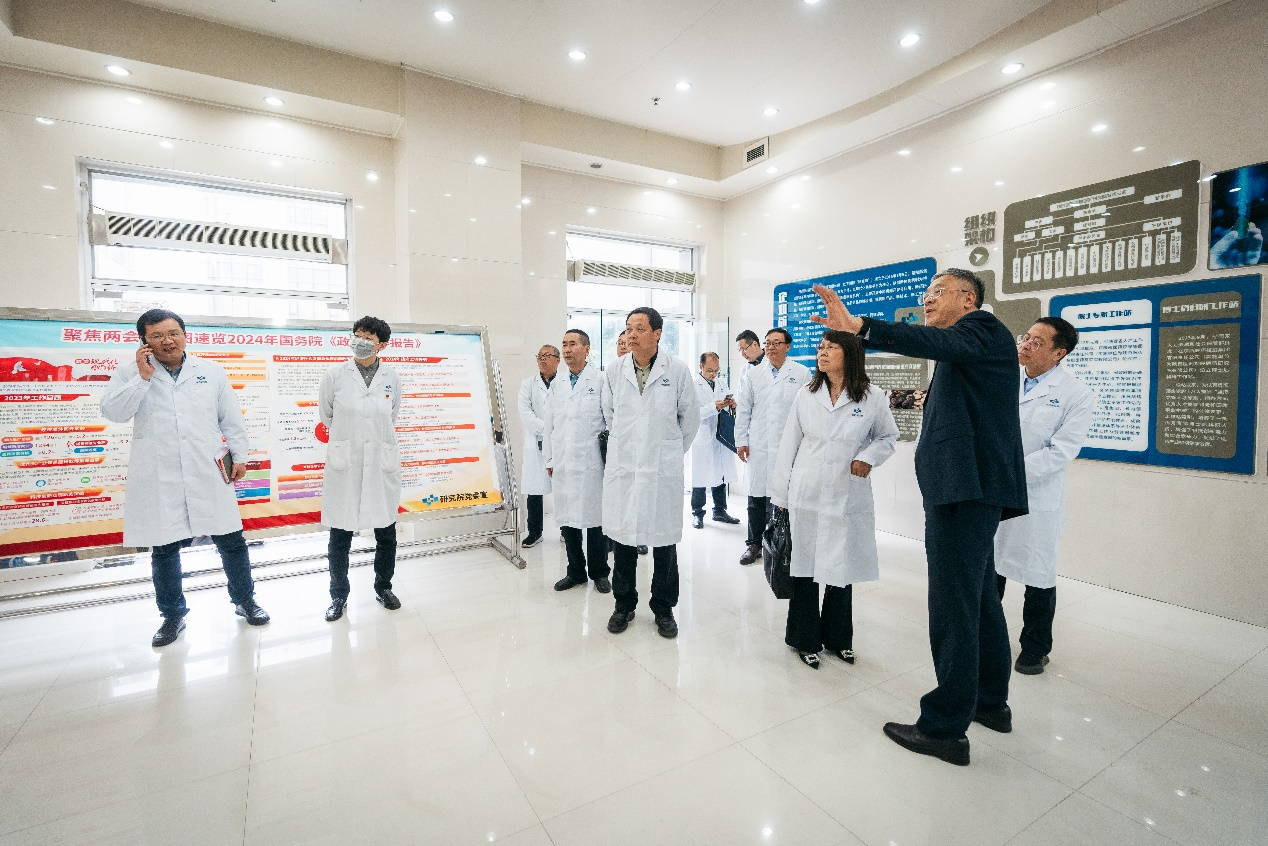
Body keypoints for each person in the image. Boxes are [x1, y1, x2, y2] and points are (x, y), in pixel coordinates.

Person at [810, 268, 1026, 767]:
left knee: (953, 604)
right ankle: (990, 702)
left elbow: (930, 341)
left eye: (937, 292)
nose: (927, 300)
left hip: (965, 488)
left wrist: (860, 326)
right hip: (970, 487)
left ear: (968, 299)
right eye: (926, 293)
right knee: (978, 598)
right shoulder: (970, 347)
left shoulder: (981, 328)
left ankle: (945, 727)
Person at [100, 308, 270, 647]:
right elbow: (114, 413)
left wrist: (240, 455)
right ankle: (172, 615)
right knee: (164, 548)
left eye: (173, 333)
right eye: (157, 335)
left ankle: (245, 600)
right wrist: (142, 379)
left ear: (184, 334)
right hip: (160, 473)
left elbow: (230, 417)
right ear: (144, 341)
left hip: (207, 467)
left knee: (231, 540)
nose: (167, 341)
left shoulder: (210, 371)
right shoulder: (129, 373)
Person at [769, 331, 899, 669]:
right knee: (804, 568)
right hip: (807, 491)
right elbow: (789, 444)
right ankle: (804, 639)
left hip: (847, 493)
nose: (822, 352)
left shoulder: (871, 396)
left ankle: (839, 639)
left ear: (850, 353)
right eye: (820, 347)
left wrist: (868, 457)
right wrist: (780, 495)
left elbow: (888, 436)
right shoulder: (807, 393)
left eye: (831, 347)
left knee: (842, 566)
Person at [994, 318, 1095, 674]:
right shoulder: (1005, 380)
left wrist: (1009, 472)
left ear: (1058, 353)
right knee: (989, 569)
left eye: (1036, 342)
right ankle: (985, 635)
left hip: (1036, 496)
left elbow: (1061, 450)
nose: (1025, 345)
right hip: (994, 490)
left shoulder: (1076, 394)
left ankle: (1035, 648)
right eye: (1025, 337)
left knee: (1037, 574)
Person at [602, 307, 699, 638]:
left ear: (657, 333)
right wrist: (631, 447)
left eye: (639, 328)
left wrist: (667, 451)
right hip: (626, 467)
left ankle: (663, 608)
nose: (632, 334)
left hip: (661, 468)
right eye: (629, 328)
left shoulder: (678, 370)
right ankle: (623, 604)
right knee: (624, 538)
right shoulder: (614, 370)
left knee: (664, 542)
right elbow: (610, 415)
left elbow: (689, 419)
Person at [318, 316, 403, 622]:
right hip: (347, 463)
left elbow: (390, 415)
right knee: (340, 534)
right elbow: (327, 415)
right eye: (357, 335)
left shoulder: (392, 378)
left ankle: (384, 587)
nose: (360, 341)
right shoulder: (335, 375)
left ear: (382, 345)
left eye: (368, 337)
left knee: (386, 532)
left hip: (380, 463)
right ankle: (338, 595)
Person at [734, 328, 811, 566]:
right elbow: (744, 409)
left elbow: (808, 411)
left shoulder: (801, 373)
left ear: (788, 346)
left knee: (784, 498)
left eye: (777, 343)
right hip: (759, 444)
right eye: (768, 343)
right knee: (756, 498)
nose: (771, 347)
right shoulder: (753, 374)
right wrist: (741, 440)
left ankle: (781, 545)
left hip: (789, 446)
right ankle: (753, 545)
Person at [544, 329, 610, 593]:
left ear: (586, 349)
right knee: (568, 518)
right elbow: (549, 424)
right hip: (563, 459)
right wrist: (549, 458)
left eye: (572, 344)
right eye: (564, 344)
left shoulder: (600, 380)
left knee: (594, 519)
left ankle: (600, 572)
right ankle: (575, 572)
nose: (567, 349)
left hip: (591, 460)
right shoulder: (557, 383)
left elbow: (609, 421)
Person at [690, 352, 740, 529]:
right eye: (710, 370)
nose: (714, 374)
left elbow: (726, 402)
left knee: (720, 474)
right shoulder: (693, 386)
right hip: (703, 435)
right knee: (700, 476)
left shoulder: (721, 382)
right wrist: (714, 407)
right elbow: (692, 413)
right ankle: (697, 513)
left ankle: (719, 510)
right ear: (701, 367)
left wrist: (731, 403)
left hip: (720, 434)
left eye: (716, 370)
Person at [518, 345, 559, 547]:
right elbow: (525, 412)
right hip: (537, 442)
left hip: (560, 442)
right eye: (539, 356)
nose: (542, 359)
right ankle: (535, 532)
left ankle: (566, 531)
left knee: (563, 488)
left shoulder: (564, 383)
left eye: (547, 356)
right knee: (534, 489)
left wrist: (556, 432)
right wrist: (547, 429)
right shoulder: (528, 384)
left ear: (557, 360)